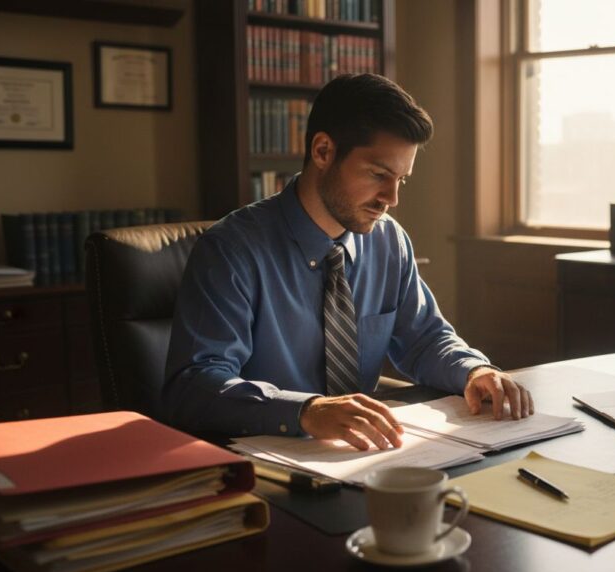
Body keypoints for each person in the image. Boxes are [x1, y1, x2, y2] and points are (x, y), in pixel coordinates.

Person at [163, 74, 532, 450]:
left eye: (401, 180)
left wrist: (474, 370)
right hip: (264, 459)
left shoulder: (388, 241)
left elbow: (424, 339)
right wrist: (305, 411)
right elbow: (194, 385)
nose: (391, 198)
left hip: (360, 456)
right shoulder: (231, 250)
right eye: (378, 175)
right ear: (323, 151)